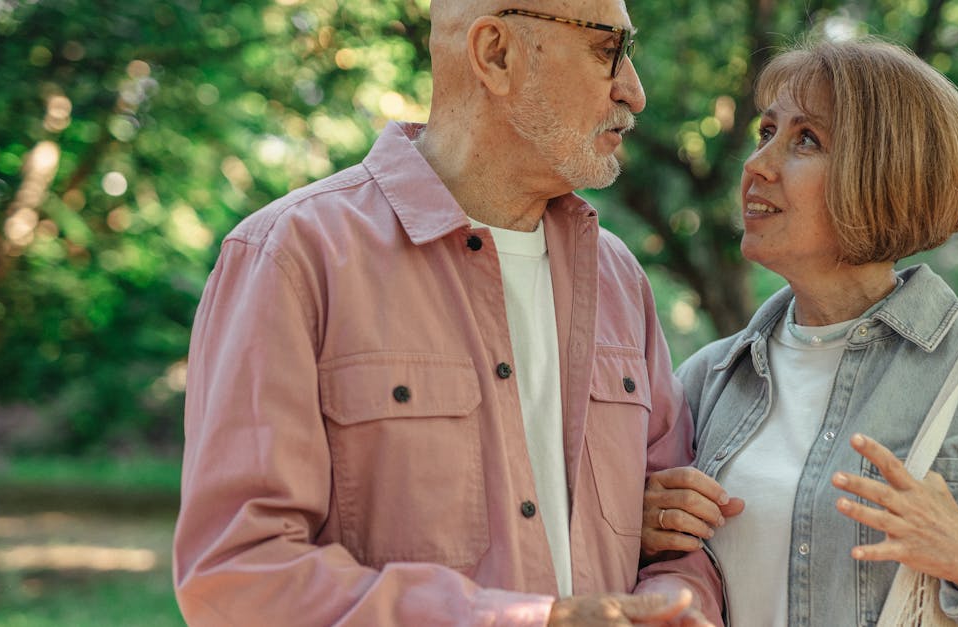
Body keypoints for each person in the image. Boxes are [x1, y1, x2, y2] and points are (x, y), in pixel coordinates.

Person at [172, 1, 723, 624]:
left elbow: (682, 542)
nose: (635, 91)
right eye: (608, 50)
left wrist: (681, 607)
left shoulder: (620, 278)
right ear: (496, 53)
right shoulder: (291, 258)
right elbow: (241, 575)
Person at [639, 39, 958, 625]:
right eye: (766, 132)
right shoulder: (709, 378)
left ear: (885, 173)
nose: (758, 165)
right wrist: (642, 532)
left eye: (806, 139)